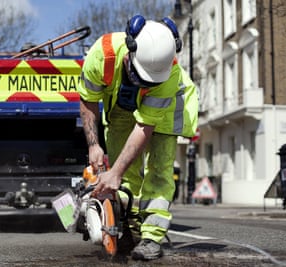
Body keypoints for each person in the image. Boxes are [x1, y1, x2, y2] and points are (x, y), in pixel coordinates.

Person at [78, 15, 198, 260]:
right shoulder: (103, 54)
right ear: (129, 51)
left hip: (166, 108)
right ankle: (131, 232)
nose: (142, 83)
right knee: (125, 175)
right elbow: (88, 99)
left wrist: (115, 172)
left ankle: (151, 237)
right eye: (138, 75)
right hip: (120, 108)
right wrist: (94, 145)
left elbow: (145, 126)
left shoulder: (169, 73)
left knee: (159, 170)